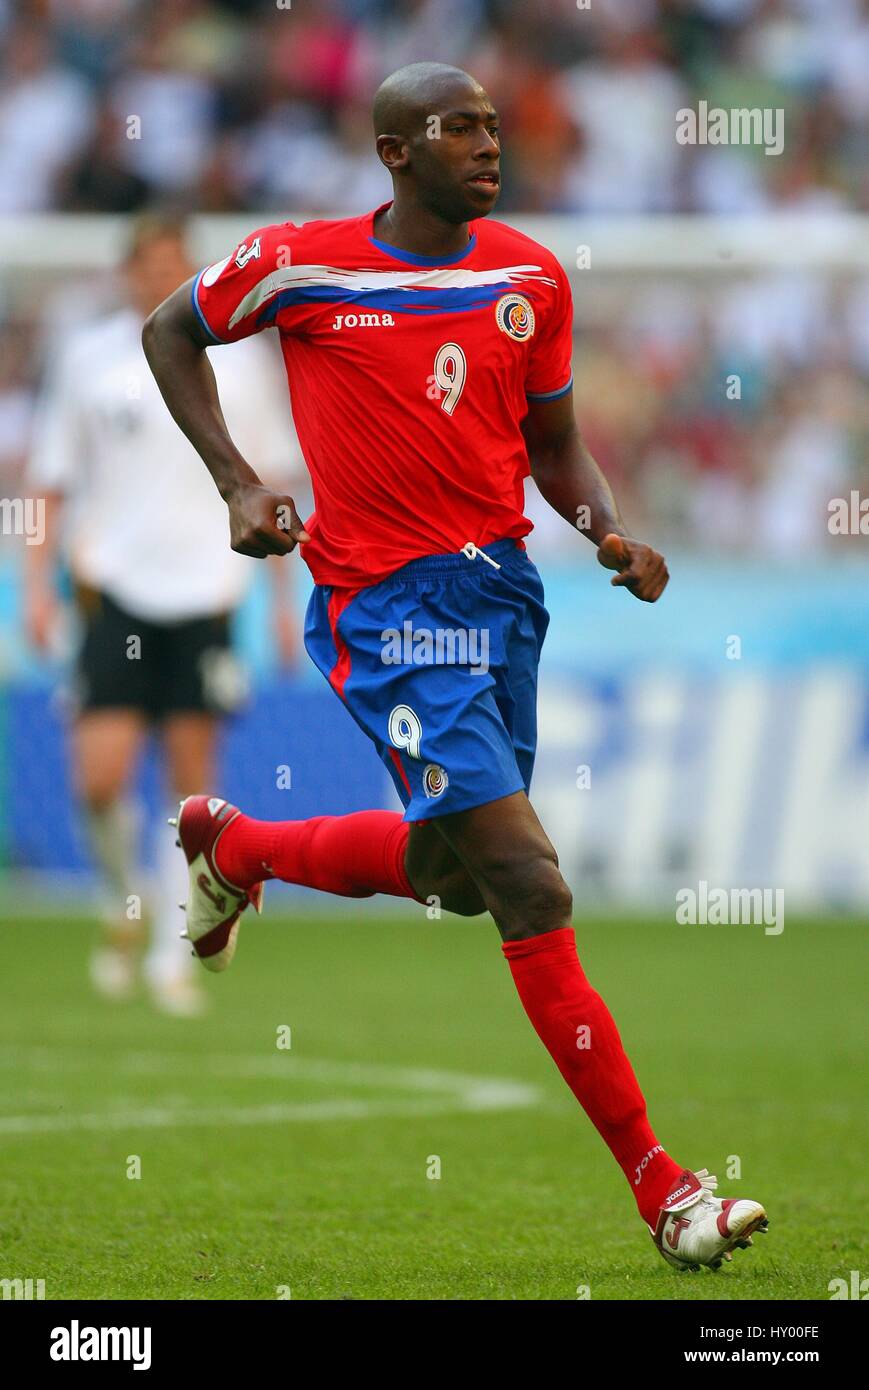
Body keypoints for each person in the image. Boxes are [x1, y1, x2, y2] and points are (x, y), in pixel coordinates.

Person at [142, 65, 768, 1266]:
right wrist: (236, 479)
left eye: (492, 127)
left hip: (500, 600)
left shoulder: (529, 277)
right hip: (384, 612)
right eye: (460, 129)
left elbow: (557, 445)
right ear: (393, 151)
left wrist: (607, 533)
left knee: (455, 876)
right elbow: (170, 328)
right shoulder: (299, 263)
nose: (490, 145)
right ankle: (664, 1189)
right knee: (529, 885)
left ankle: (235, 846)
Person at [26, 211, 300, 1016]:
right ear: (127, 273)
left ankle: (175, 950)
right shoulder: (88, 359)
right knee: (99, 780)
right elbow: (50, 480)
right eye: (149, 264)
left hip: (210, 594)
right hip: (113, 590)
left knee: (192, 793)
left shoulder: (243, 363)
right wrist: (37, 587)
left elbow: (270, 480)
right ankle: (121, 899)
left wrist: (285, 603)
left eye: (176, 263)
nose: (161, 277)